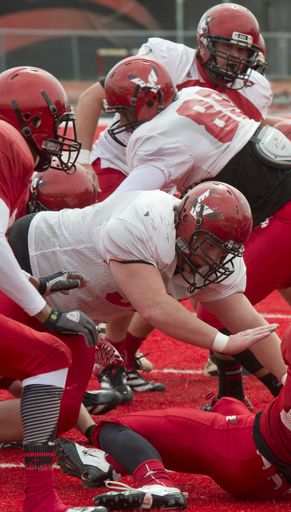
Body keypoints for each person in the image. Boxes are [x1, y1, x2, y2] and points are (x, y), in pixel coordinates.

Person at [96, 56, 291, 404]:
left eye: (124, 110)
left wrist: (86, 224)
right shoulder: (193, 95)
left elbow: (129, 201)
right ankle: (270, 392)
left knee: (217, 303)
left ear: (150, 102)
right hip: (285, 206)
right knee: (214, 296)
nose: (121, 121)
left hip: (281, 215)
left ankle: (289, 394)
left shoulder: (154, 135)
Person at [55, 310, 291, 510]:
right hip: (288, 486)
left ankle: (154, 480)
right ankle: (227, 393)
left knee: (117, 428)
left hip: (240, 449)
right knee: (225, 406)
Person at [0, 182, 284, 442]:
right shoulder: (141, 221)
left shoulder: (215, 258)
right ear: (185, 224)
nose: (216, 259)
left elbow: (252, 326)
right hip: (29, 267)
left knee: (59, 411)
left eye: (225, 251)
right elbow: (155, 307)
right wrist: (223, 342)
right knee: (19, 376)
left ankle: (73, 420)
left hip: (72, 317)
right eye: (210, 246)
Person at [0, 65, 105, 512]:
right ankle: (40, 501)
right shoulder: (8, 144)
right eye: (54, 119)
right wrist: (46, 313)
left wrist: (35, 285)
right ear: (28, 119)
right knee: (50, 354)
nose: (61, 133)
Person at [74, 2, 271, 201]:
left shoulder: (254, 90)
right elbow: (92, 98)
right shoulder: (169, 60)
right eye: (228, 46)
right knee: (109, 222)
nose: (235, 57)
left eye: (242, 50)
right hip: (121, 163)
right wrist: (82, 161)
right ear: (206, 43)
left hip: (175, 181)